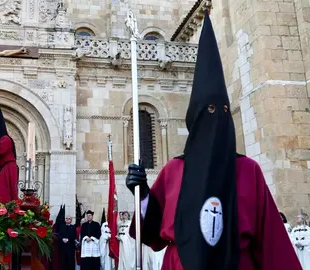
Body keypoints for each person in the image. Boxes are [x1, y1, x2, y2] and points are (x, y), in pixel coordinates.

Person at [125, 12, 302, 270]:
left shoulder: (248, 170)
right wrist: (141, 194)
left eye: (224, 111)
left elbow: (273, 242)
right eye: (209, 110)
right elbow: (152, 235)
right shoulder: (174, 170)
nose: (217, 117)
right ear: (195, 119)